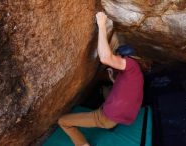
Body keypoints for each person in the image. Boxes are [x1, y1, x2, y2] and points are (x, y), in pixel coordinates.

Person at [58, 12, 144, 146]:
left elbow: (105, 58)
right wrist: (112, 78)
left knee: (63, 121)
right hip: (122, 115)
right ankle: (111, 122)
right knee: (106, 89)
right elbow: (126, 90)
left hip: (107, 117)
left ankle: (83, 145)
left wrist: (102, 24)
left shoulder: (130, 64)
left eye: (118, 57)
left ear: (124, 58)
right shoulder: (136, 74)